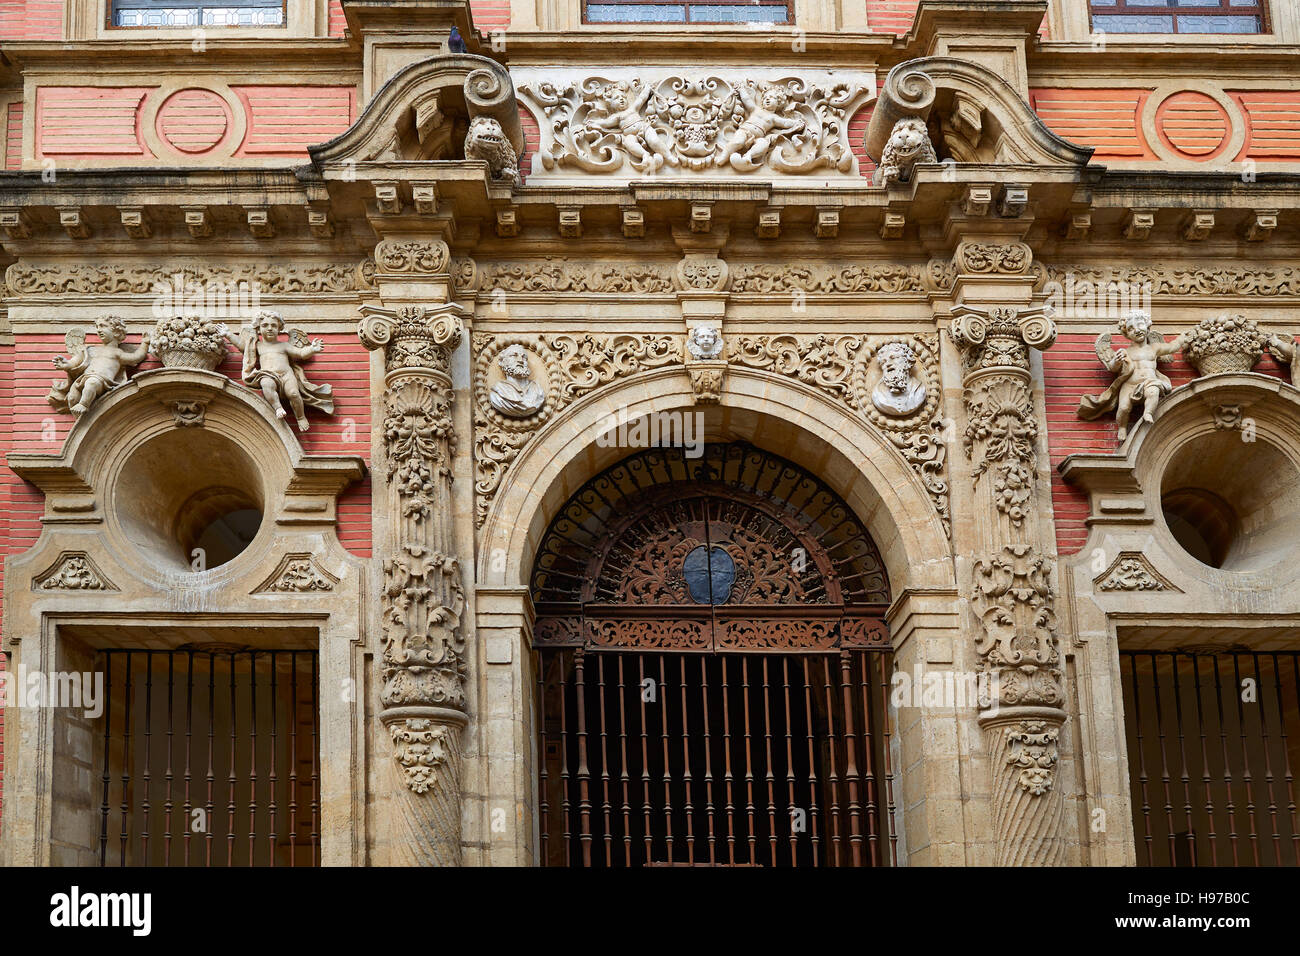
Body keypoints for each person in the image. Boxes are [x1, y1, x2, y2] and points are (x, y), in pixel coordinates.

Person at [1077, 310, 1186, 441]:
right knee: (1123, 407)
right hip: (1129, 385)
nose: (1136, 330)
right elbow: (1113, 368)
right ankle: (1122, 427)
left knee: (1153, 391)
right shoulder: (1125, 351)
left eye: (1140, 325)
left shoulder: (1154, 348)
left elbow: (1172, 347)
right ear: (1127, 335)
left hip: (1150, 381)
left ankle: (1148, 412)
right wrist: (1116, 360)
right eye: (1130, 329)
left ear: (1147, 325)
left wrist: (1182, 338)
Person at [237, 311, 334, 430]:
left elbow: (300, 353)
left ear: (279, 328)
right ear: (258, 328)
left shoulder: (283, 346)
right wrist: (227, 334)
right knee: (266, 384)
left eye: (274, 326)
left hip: (287, 375)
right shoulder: (258, 346)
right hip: (268, 374)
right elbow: (242, 346)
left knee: (293, 393)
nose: (269, 328)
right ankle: (278, 407)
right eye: (265, 325)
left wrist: (312, 349)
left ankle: (300, 417)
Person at [49, 315, 150, 415]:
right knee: (72, 397)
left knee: (91, 384)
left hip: (101, 379)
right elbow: (77, 361)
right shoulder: (91, 349)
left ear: (116, 332)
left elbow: (135, 357)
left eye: (102, 326)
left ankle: (84, 404)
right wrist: (67, 364)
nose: (98, 330)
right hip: (83, 379)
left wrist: (145, 344)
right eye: (97, 327)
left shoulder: (117, 353)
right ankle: (81, 420)